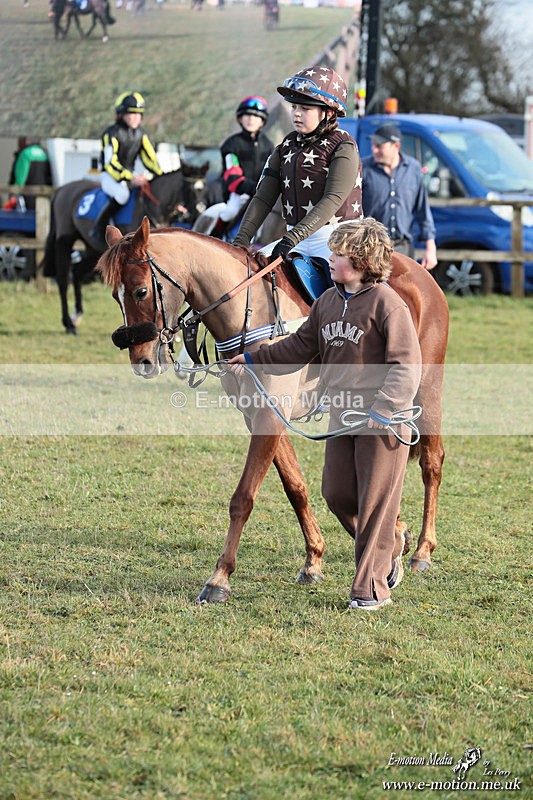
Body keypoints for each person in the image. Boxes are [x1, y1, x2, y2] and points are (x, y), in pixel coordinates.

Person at [228, 217, 421, 610]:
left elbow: (408, 366)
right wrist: (251, 359)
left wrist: (384, 409)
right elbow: (297, 348)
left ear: (364, 261)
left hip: (383, 422)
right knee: (336, 494)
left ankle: (370, 590)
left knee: (374, 505)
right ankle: (388, 546)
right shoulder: (328, 303)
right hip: (341, 416)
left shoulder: (388, 305)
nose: (330, 259)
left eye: (340, 254)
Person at [232, 66, 362, 265]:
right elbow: (263, 199)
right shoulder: (284, 146)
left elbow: (333, 198)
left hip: (337, 239)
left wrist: (292, 238)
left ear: (327, 112)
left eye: (305, 108)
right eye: (294, 107)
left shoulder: (344, 145)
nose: (296, 114)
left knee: (349, 281)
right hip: (294, 238)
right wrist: (239, 243)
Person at [90, 91, 163, 248]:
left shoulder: (142, 134)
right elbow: (110, 163)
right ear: (121, 114)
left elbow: (151, 161)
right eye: (131, 113)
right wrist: (130, 177)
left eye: (138, 114)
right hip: (110, 176)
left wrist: (160, 177)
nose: (135, 117)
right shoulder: (111, 133)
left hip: (131, 176)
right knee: (122, 195)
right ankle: (97, 228)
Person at [362, 121, 437, 270]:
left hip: (404, 249)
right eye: (373, 145)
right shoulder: (363, 169)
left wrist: (431, 247)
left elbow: (422, 210)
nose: (374, 150)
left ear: (396, 146)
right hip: (371, 248)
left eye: (379, 146)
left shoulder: (413, 169)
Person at [207, 96, 274, 238]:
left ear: (262, 121)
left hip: (261, 192)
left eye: (256, 116)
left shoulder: (268, 145)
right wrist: (253, 188)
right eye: (247, 115)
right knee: (230, 211)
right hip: (238, 193)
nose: (251, 119)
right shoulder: (231, 144)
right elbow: (232, 174)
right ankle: (216, 237)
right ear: (240, 119)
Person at [8, 137, 52, 210]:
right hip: (44, 198)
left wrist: (13, 196)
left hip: (27, 199)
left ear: (26, 140)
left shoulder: (25, 154)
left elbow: (20, 181)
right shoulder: (45, 153)